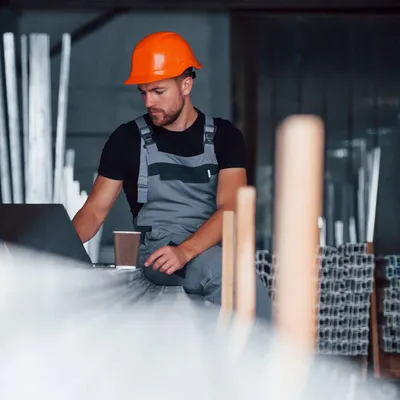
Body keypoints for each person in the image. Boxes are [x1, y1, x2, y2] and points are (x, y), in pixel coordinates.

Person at [72, 31, 272, 319]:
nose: (148, 102)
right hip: (159, 254)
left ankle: (272, 359)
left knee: (234, 276)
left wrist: (186, 251)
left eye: (158, 91)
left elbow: (231, 209)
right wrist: (46, 252)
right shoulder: (126, 139)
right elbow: (93, 212)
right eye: (143, 92)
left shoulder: (225, 137)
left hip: (207, 248)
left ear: (186, 84)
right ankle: (271, 358)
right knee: (231, 277)